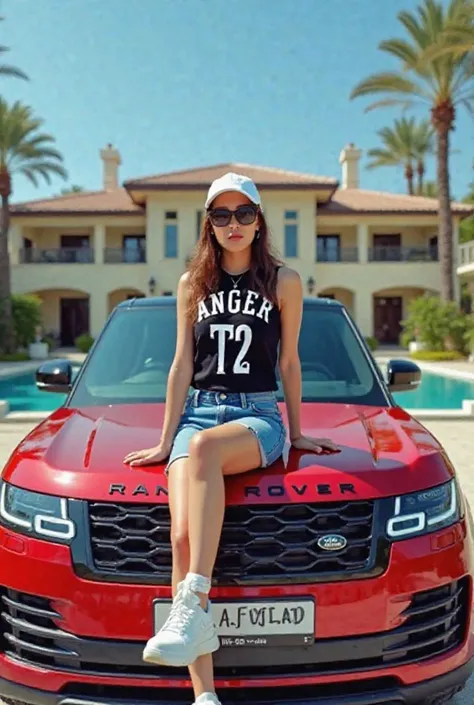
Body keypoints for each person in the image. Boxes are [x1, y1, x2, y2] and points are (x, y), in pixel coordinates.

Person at [123, 172, 339, 705]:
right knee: (179, 539)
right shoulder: (191, 284)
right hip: (196, 416)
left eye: (244, 213)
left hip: (257, 417)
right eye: (221, 215)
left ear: (259, 219)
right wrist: (162, 437)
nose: (234, 224)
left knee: (203, 451)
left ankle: (194, 601)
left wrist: (298, 430)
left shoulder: (284, 281)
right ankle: (205, 695)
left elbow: (289, 361)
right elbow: (180, 365)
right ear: (209, 224)